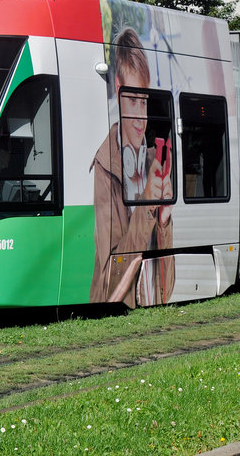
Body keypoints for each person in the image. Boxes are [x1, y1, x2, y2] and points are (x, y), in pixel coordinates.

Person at [89, 27, 174, 306]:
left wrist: (163, 221)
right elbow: (110, 283)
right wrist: (149, 202)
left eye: (144, 102)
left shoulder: (152, 162)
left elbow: (167, 287)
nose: (140, 118)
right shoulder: (105, 167)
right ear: (117, 87)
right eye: (133, 101)